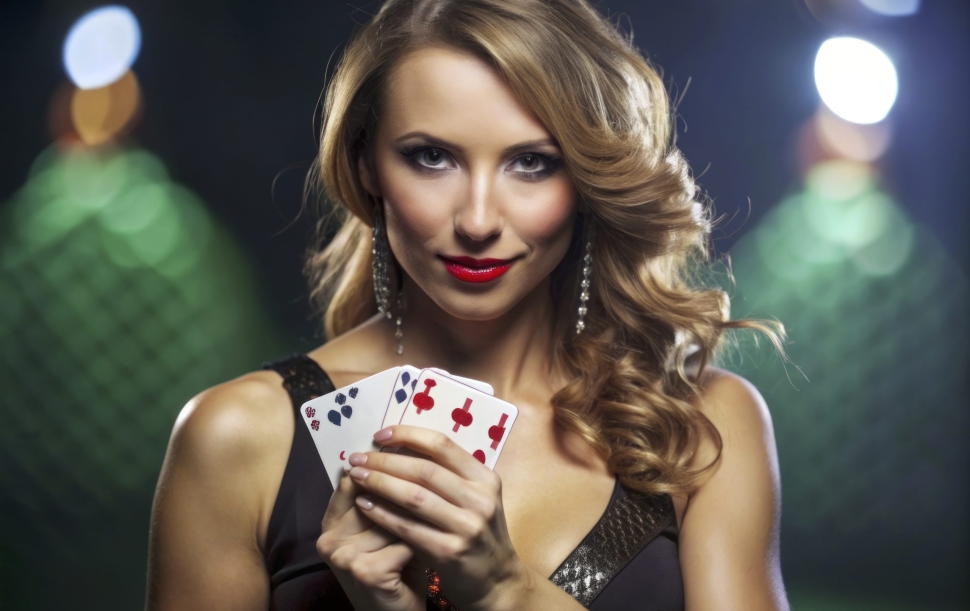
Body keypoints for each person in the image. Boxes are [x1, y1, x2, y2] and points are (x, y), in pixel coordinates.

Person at [146, 0, 790, 609]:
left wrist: (507, 591)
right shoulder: (238, 438)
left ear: (588, 177)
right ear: (367, 164)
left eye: (532, 163)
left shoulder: (703, 426)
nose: (478, 220)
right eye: (432, 158)